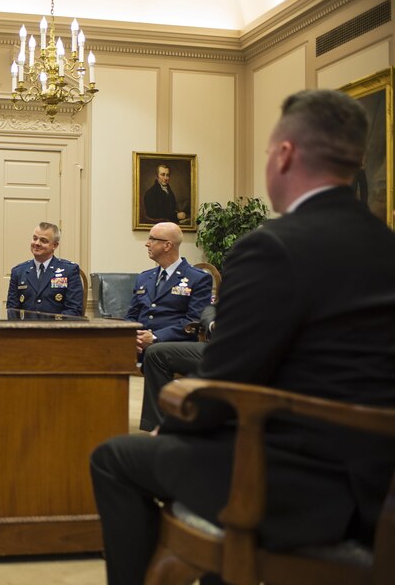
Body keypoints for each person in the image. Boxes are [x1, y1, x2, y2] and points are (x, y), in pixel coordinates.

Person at [91, 89, 395, 585]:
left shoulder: (273, 247)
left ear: (285, 155)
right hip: (377, 487)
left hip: (291, 488)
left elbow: (223, 383)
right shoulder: (386, 246)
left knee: (115, 457)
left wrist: (172, 428)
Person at [125, 222, 212, 354]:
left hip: (172, 346)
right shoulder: (144, 277)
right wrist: (133, 337)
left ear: (167, 245)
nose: (147, 244)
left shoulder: (198, 278)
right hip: (138, 345)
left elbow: (193, 321)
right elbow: (131, 316)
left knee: (154, 352)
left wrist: (155, 337)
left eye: (152, 239)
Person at [138, 304, 215, 431]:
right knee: (155, 353)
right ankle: (157, 426)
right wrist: (212, 323)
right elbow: (211, 307)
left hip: (241, 350)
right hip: (216, 345)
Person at [7, 222, 84, 316]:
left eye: (43, 240)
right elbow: (12, 310)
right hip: (26, 329)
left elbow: (74, 310)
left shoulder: (69, 270)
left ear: (55, 245)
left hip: (57, 329)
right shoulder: (18, 272)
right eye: (35, 238)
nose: (37, 243)